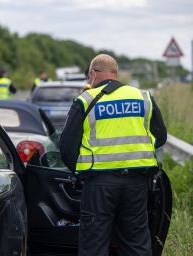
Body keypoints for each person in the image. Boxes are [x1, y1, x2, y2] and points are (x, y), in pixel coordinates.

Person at [60, 54, 167, 256]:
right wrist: (138, 153)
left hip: (99, 184)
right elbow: (160, 135)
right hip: (136, 183)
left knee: (94, 243)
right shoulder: (143, 97)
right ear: (115, 73)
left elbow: (66, 147)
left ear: (93, 73)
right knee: (136, 242)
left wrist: (81, 171)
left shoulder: (86, 100)